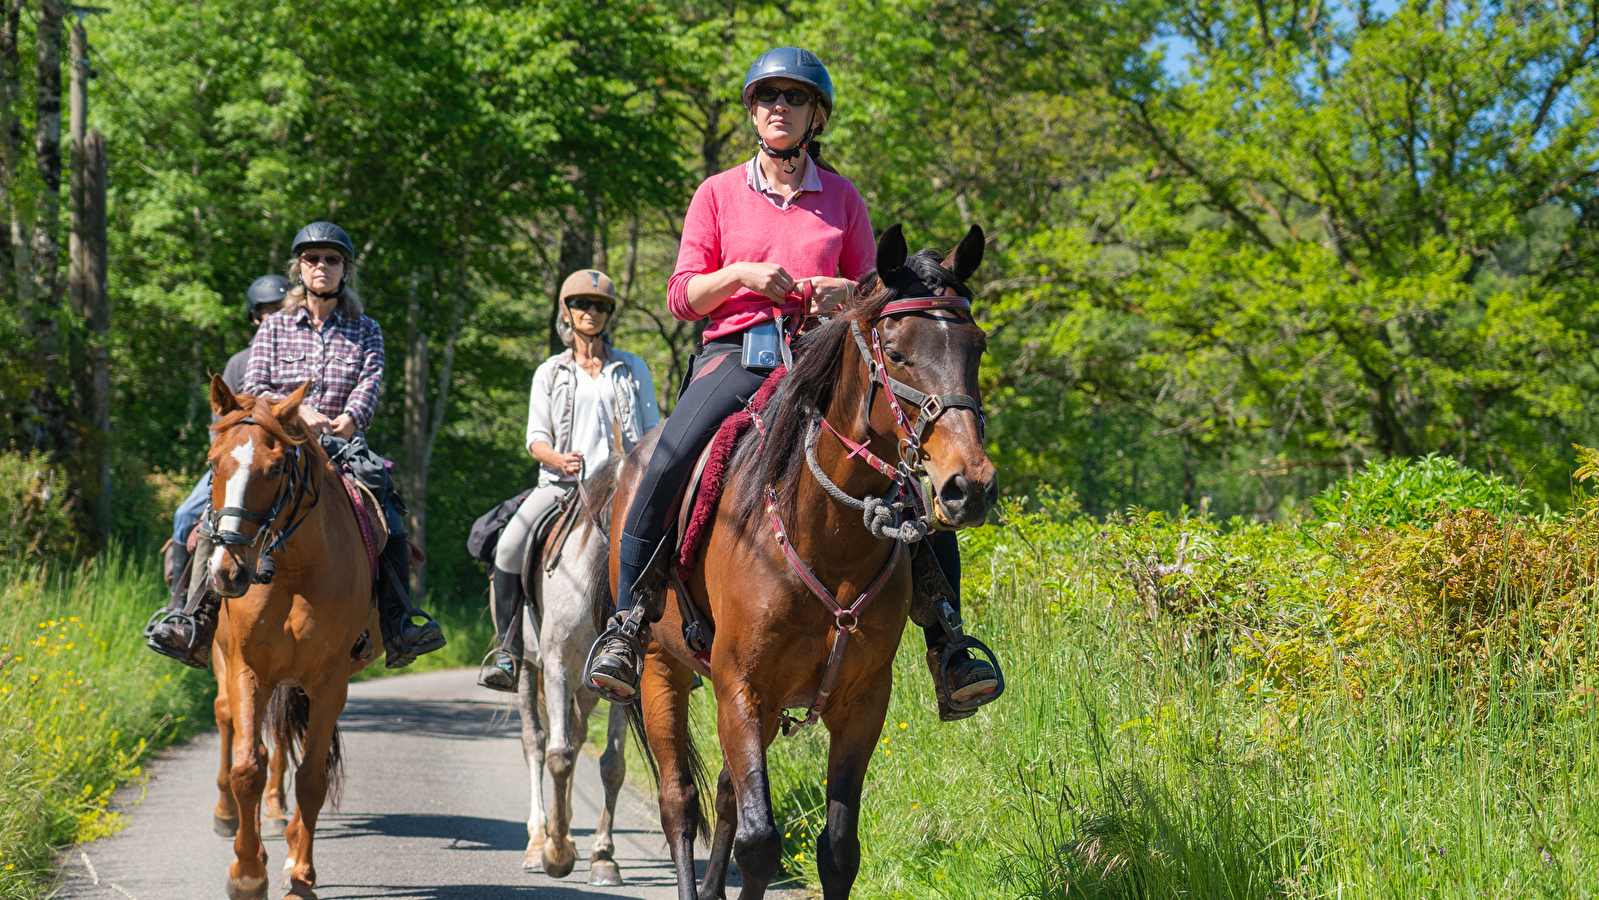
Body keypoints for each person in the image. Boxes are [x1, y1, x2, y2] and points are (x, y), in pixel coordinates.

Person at [583, 47, 1001, 716]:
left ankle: (948, 641)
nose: (779, 107)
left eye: (794, 97)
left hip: (822, 361)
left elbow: (878, 298)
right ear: (752, 111)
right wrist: (740, 275)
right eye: (767, 96)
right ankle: (629, 623)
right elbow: (682, 296)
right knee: (665, 459)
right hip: (736, 354)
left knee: (903, 472)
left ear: (816, 116)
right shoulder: (717, 193)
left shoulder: (843, 199)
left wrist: (843, 293)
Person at [145, 222, 445, 669]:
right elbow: (255, 387)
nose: (322, 266)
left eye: (332, 259)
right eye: (312, 259)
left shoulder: (367, 330)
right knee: (218, 507)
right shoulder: (274, 327)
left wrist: (350, 419)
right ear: (299, 268)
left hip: (341, 446)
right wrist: (298, 412)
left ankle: (399, 620)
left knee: (385, 497)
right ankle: (193, 619)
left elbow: (370, 383)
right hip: (279, 441)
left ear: (345, 270)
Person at [477, 269, 660, 692]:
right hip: (562, 487)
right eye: (581, 304)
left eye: (600, 305)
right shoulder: (550, 372)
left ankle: (667, 650)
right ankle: (507, 651)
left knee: (668, 544)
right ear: (566, 312)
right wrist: (559, 459)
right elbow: (535, 439)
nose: (590, 311)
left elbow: (653, 432)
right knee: (508, 546)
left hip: (623, 489)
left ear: (609, 314)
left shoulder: (633, 368)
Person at [149, 275, 287, 662]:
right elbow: (221, 422)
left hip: (276, 460)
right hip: (237, 461)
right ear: (254, 318)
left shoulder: (296, 355)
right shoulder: (240, 362)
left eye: (280, 312)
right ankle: (184, 612)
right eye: (266, 313)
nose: (272, 319)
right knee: (185, 515)